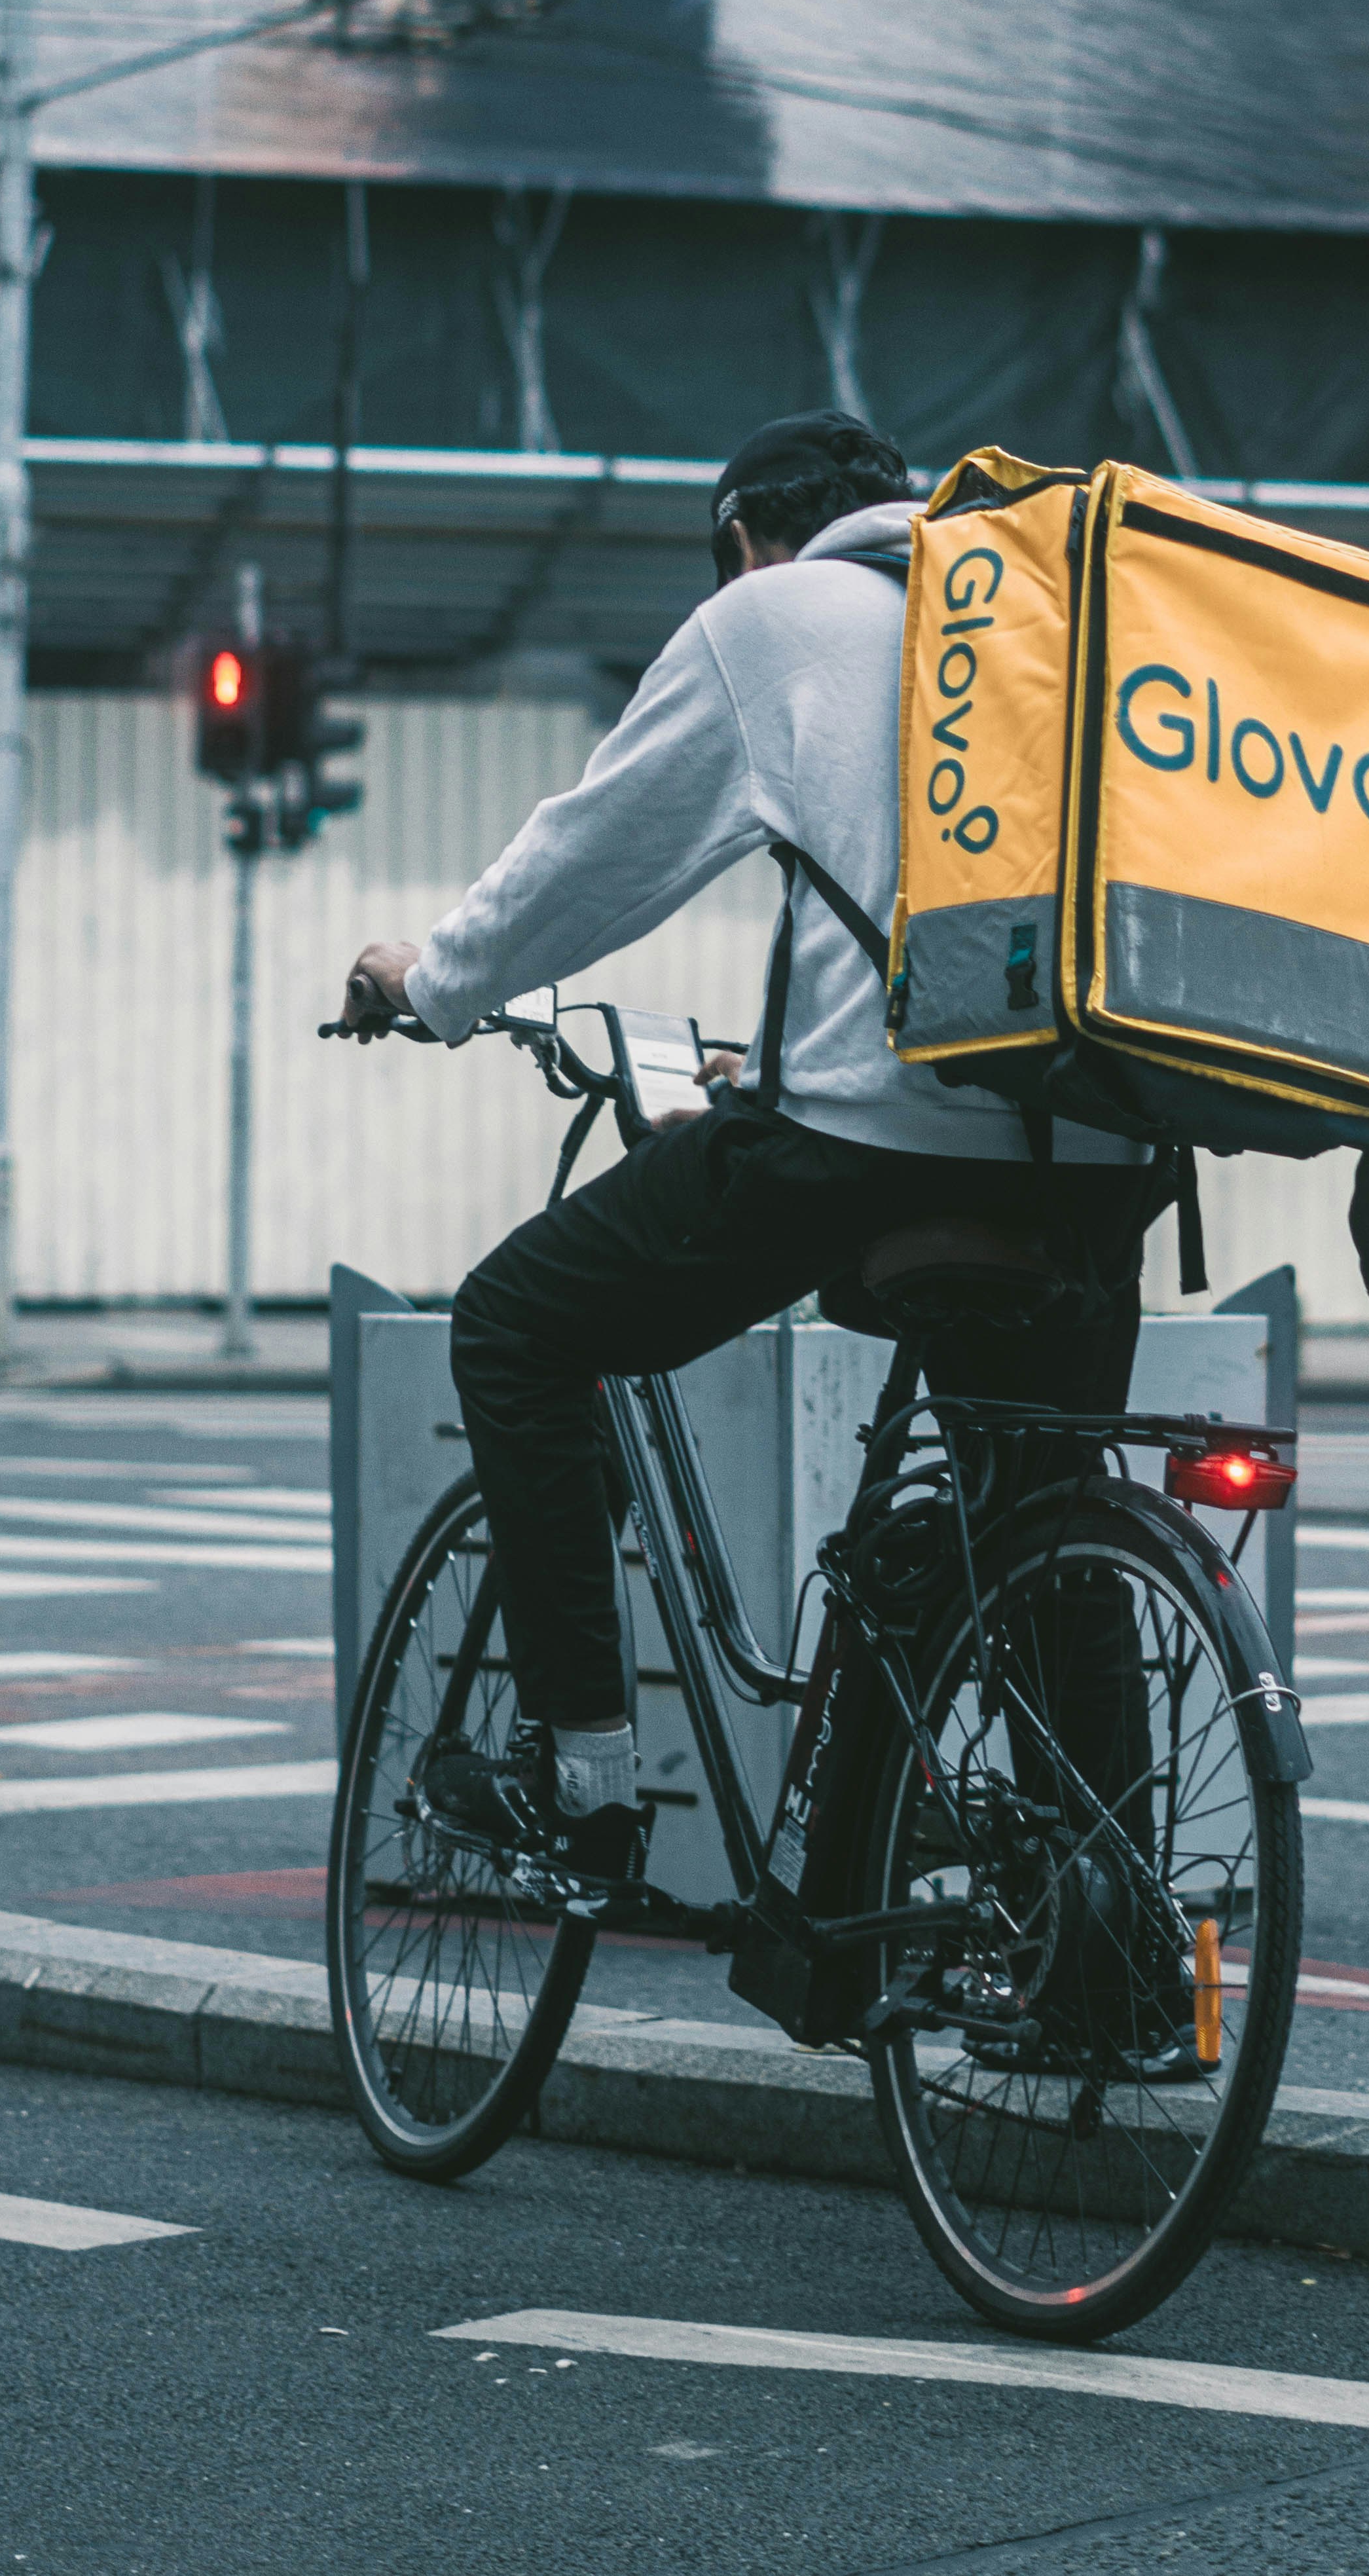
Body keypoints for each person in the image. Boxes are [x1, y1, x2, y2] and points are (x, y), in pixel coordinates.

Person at [335, 407, 1162, 1884]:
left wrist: (434, 981)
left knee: (515, 1325)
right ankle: (1110, 1930)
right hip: (1099, 1157)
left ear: (739, 538)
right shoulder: (1050, 623)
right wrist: (777, 1061)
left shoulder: (774, 614)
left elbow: (592, 851)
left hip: (866, 1148)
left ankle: (583, 1783)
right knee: (1046, 1522)